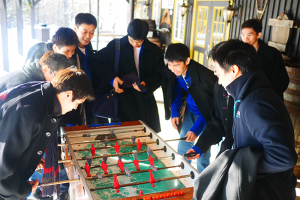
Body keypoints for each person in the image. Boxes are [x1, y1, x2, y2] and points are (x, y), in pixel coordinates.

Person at [193, 39, 297, 199]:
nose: (219, 82)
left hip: (268, 190)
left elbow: (284, 156)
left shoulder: (254, 103)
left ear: (234, 70)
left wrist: (241, 167)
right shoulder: (250, 94)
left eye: (218, 73)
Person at [0, 68, 94, 200]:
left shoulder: (41, 94)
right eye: (77, 103)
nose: (75, 108)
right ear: (68, 94)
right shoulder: (31, 111)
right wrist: (21, 190)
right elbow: (2, 167)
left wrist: (31, 157)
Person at [90, 19, 164, 132]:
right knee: (123, 136)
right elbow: (95, 62)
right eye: (131, 40)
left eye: (139, 42)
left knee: (146, 136)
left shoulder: (154, 50)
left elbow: (160, 75)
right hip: (123, 99)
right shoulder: (116, 45)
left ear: (145, 37)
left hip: (145, 101)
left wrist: (146, 85)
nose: (135, 44)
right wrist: (111, 78)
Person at [162, 43, 217, 172]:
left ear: (187, 61)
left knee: (202, 153)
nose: (172, 69)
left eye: (176, 65)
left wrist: (196, 129)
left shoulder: (205, 78)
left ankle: (203, 180)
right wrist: (174, 113)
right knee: (182, 148)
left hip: (205, 117)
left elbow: (209, 109)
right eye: (170, 64)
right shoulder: (176, 73)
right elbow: (176, 92)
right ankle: (183, 176)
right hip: (190, 111)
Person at [241, 19, 289, 99]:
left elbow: (282, 82)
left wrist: (262, 94)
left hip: (268, 100)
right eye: (243, 35)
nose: (245, 39)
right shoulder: (238, 53)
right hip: (244, 99)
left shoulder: (272, 54)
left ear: (258, 35)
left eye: (249, 35)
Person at [0, 51, 76, 93]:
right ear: (45, 69)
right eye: (56, 76)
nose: (59, 81)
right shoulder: (22, 84)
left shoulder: (36, 80)